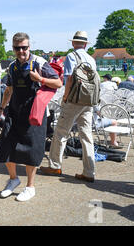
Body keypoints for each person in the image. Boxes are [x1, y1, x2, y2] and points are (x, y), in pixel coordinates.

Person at [0, 32, 62, 201]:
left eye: (24, 47)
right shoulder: (12, 66)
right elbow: (9, 89)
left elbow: (58, 83)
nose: (21, 51)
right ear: (13, 48)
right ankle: (13, 179)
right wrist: (1, 109)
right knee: (6, 146)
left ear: (29, 47)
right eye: (18, 48)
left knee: (31, 150)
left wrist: (40, 79)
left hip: (34, 114)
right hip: (15, 111)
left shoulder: (39, 62)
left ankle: (30, 187)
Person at [41, 31, 98, 183]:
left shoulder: (72, 56)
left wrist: (65, 97)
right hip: (88, 101)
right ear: (85, 44)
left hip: (74, 100)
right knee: (86, 136)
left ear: (73, 43)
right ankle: (89, 171)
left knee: (61, 132)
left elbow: (69, 79)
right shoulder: (91, 59)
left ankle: (54, 165)